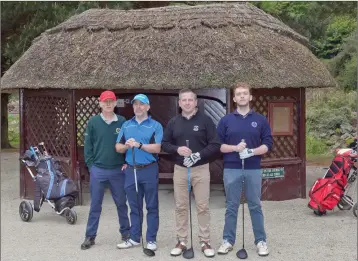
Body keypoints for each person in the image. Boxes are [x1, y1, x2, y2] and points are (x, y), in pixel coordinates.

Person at [161, 89, 221, 258]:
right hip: (180, 170)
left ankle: (205, 241)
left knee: (202, 206)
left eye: (190, 100)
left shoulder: (206, 121)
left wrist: (198, 155)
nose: (187, 103)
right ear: (179, 103)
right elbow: (165, 144)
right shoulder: (174, 122)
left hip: (201, 169)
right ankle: (182, 241)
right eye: (184, 100)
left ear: (196, 102)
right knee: (181, 206)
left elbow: (215, 144)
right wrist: (177, 149)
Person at [216, 82, 273, 257]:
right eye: (238, 94)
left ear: (250, 97)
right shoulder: (226, 120)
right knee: (232, 206)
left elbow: (268, 145)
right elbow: (219, 146)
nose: (242, 96)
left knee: (255, 205)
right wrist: (235, 148)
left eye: (245, 93)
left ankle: (260, 241)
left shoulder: (260, 120)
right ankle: (228, 241)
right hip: (232, 168)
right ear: (234, 99)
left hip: (253, 168)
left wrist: (251, 152)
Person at [81, 90, 130, 250]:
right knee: (95, 205)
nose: (108, 104)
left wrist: (126, 162)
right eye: (105, 101)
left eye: (111, 101)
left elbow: (128, 143)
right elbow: (88, 147)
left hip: (118, 170)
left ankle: (126, 234)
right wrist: (91, 166)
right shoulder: (93, 122)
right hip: (99, 170)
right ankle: (90, 236)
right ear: (100, 104)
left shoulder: (122, 121)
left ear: (115, 103)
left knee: (122, 204)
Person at [115, 94, 163, 252]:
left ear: (148, 107)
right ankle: (135, 238)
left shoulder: (155, 125)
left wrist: (139, 145)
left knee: (151, 206)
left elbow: (157, 148)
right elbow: (118, 147)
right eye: (135, 104)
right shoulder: (127, 125)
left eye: (142, 104)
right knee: (134, 207)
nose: (138, 107)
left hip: (149, 169)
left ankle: (151, 240)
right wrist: (127, 146)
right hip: (131, 170)